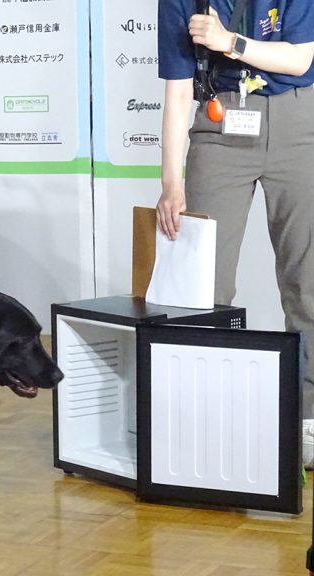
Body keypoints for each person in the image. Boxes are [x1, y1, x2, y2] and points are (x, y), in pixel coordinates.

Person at [156, 1, 314, 463]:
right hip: (220, 122)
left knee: (307, 281)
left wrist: (229, 42)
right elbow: (178, 88)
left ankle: (308, 414)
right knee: (204, 285)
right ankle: (199, 413)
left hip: (299, 124)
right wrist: (171, 180)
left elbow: (302, 58)